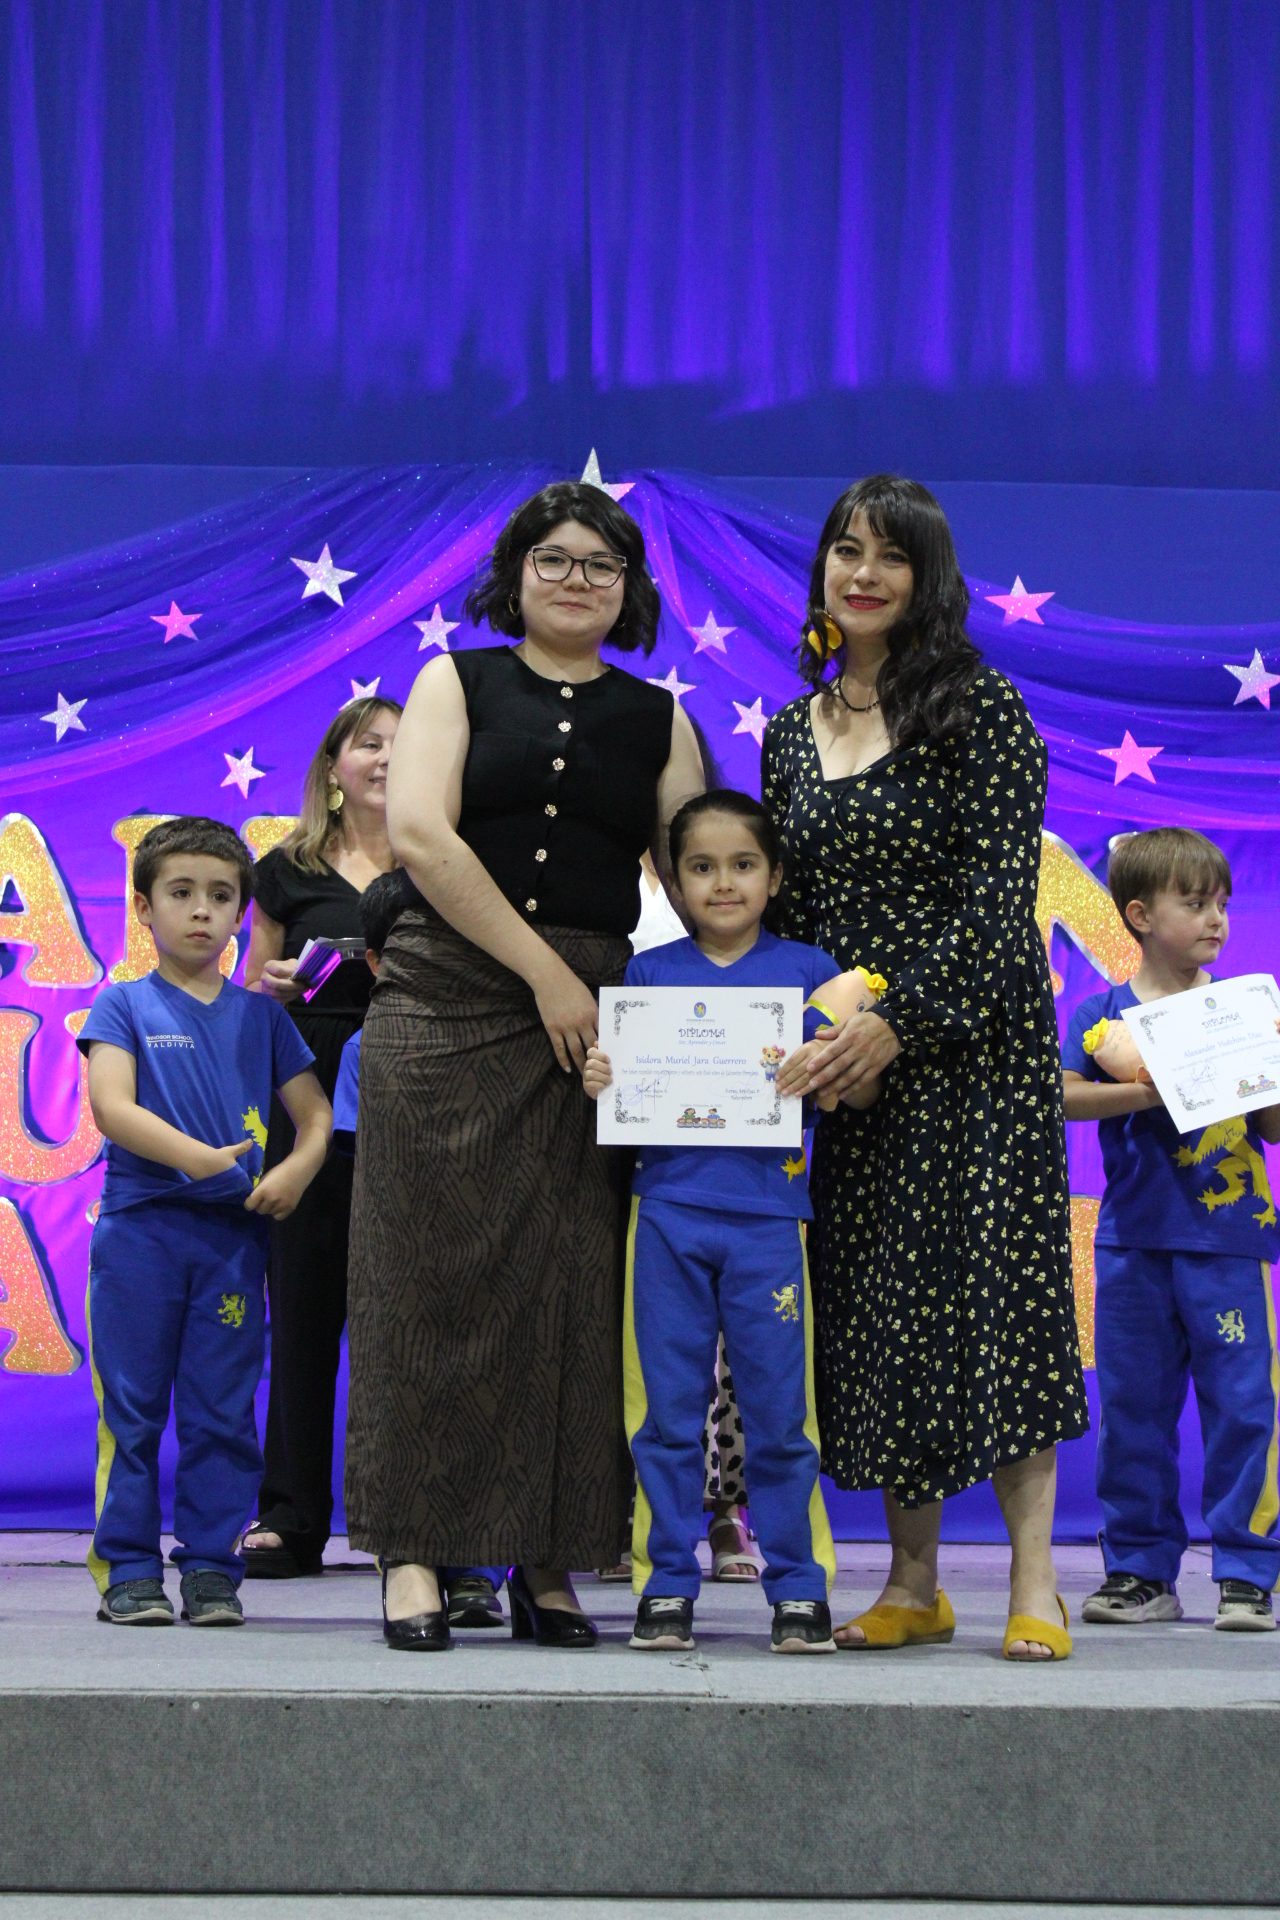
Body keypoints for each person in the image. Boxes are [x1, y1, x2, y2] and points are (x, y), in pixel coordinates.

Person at [344, 480, 705, 1652]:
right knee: (419, 1279)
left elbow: (703, 875)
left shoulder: (659, 720)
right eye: (554, 558)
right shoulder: (454, 681)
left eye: (602, 564)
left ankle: (545, 1558)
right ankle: (411, 1550)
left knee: (567, 1290)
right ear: (516, 572)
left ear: (628, 588)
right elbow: (417, 836)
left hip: (589, 1032)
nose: (576, 580)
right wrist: (545, 973)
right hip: (447, 998)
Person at [766, 474, 1088, 1661]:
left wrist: (897, 1023)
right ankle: (911, 1583)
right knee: (879, 1311)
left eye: (889, 556)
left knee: (996, 1304)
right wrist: (818, 1034)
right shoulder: (786, 733)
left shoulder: (977, 706)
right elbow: (785, 911)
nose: (862, 574)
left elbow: (1000, 907)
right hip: (848, 1071)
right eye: (845, 549)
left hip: (973, 1054)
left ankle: (1034, 1580)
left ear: (926, 578)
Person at [584, 790, 879, 1653]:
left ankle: (800, 1586)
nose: (723, 883)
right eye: (702, 867)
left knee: (782, 1415)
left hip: (770, 1221)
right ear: (673, 882)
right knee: (665, 1413)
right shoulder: (648, 975)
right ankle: (665, 1583)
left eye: (743, 865)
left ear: (775, 876)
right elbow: (623, 1087)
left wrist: (839, 1061)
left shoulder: (811, 972)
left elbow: (860, 1092)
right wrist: (606, 1076)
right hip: (665, 1216)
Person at [78, 817, 331, 1626]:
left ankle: (213, 1567)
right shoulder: (121, 1004)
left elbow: (316, 1115)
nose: (201, 911)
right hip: (140, 1236)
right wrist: (203, 1161)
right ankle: (127, 1567)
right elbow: (113, 1108)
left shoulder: (263, 1018)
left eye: (221, 897)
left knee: (223, 1410)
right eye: (181, 893)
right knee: (133, 1410)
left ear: (240, 914)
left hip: (232, 1244)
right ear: (143, 908)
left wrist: (295, 1168)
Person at [1062, 827, 1280, 1631]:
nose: (1216, 919)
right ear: (1140, 915)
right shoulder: (1103, 1013)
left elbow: (1273, 1127)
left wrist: (1270, 1063)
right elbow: (1061, 1095)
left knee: (1243, 1409)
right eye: (1195, 903)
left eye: (1221, 903)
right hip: (1131, 1245)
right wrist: (1147, 1091)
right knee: (1134, 1413)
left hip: (1230, 1245)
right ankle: (1140, 1570)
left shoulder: (1244, 1010)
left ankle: (1248, 1572)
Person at [239, 696, 401, 1579]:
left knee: (409, 1319)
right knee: (301, 1310)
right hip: (305, 1099)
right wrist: (271, 986)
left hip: (414, 1093)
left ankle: (409, 1526)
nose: (386, 758)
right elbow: (247, 996)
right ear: (334, 766)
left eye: (404, 745)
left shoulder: (442, 862)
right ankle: (291, 1515)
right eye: (369, 743)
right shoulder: (285, 870)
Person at [330, 866, 506, 1631]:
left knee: (483, 1387)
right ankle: (410, 1558)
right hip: (404, 1247)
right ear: (375, 962)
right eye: (415, 946)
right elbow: (357, 1152)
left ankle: (477, 1563)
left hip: (487, 1242)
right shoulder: (366, 1048)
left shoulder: (503, 1043)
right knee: (410, 1387)